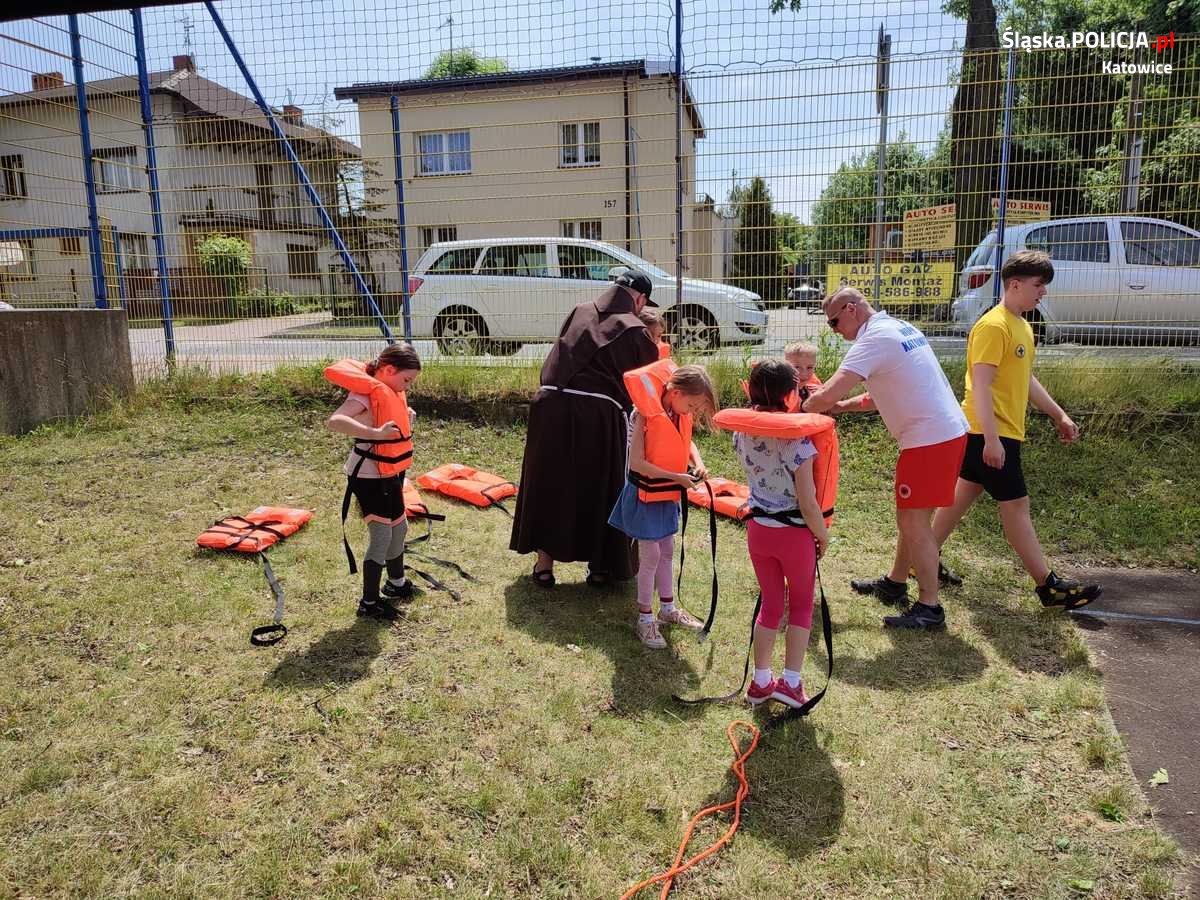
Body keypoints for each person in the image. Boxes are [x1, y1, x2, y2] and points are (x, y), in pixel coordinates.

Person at [931, 250, 1102, 608]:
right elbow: (980, 386)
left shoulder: (1022, 325)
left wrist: (1059, 414)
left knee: (958, 500)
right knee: (1016, 506)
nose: (1044, 292)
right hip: (988, 433)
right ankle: (1048, 586)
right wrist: (992, 441)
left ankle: (923, 560)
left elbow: (1025, 380)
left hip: (992, 433)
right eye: (1039, 285)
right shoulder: (994, 326)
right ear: (1015, 284)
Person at [803, 288, 968, 631]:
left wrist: (798, 410)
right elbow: (877, 395)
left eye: (834, 321)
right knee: (911, 517)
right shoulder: (898, 328)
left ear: (850, 309)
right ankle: (895, 583)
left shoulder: (874, 339)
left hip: (929, 440)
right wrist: (841, 407)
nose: (834, 330)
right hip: (942, 434)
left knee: (913, 522)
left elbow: (831, 391)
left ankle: (929, 607)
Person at [510, 271, 659, 588]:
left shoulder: (579, 311)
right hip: (597, 415)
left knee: (549, 484)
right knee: (601, 486)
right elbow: (648, 385)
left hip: (548, 408)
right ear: (640, 300)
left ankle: (543, 564)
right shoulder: (637, 330)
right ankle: (601, 566)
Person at [737, 360, 831, 707]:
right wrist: (822, 535)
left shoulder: (742, 432)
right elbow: (807, 502)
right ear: (792, 395)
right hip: (794, 536)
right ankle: (791, 684)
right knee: (802, 606)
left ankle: (761, 682)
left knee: (771, 604)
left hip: (759, 531)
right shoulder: (797, 443)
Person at [608, 363, 717, 648]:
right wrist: (676, 477)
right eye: (691, 405)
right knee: (652, 555)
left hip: (666, 495)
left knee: (667, 550)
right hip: (645, 496)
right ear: (676, 392)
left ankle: (667, 609)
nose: (691, 412)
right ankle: (645, 618)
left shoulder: (677, 412)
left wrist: (699, 464)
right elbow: (637, 463)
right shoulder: (642, 415)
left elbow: (686, 442)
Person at [326, 343, 422, 620]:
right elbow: (336, 421)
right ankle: (369, 602)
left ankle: (396, 583)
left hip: (390, 471)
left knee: (400, 527)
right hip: (368, 475)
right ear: (389, 370)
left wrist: (406, 416)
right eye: (406, 380)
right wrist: (374, 433)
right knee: (382, 534)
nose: (407, 387)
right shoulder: (363, 394)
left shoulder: (390, 390)